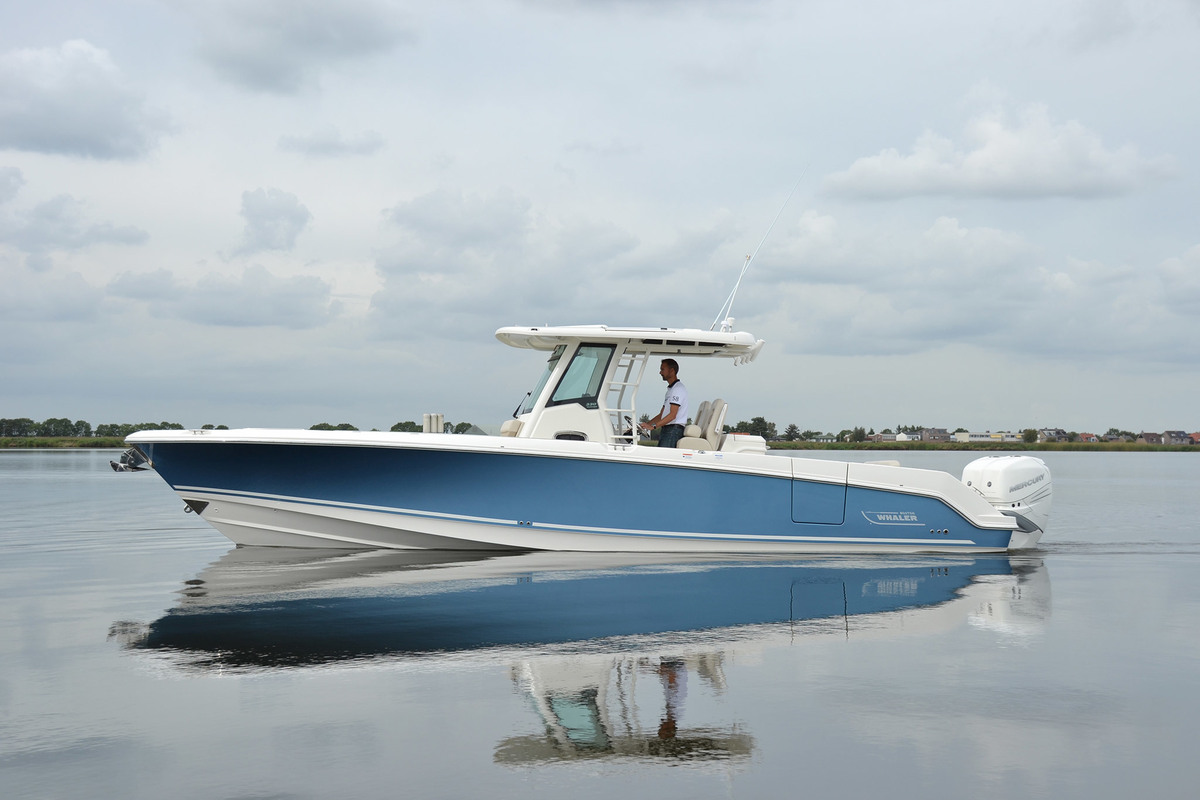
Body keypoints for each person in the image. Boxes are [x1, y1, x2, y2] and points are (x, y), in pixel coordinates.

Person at [640, 358, 689, 448]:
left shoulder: (678, 389)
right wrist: (646, 425)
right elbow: (661, 415)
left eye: (662, 369)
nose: (660, 372)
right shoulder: (671, 390)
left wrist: (654, 427)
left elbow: (672, 415)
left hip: (673, 431)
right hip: (667, 430)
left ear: (672, 371)